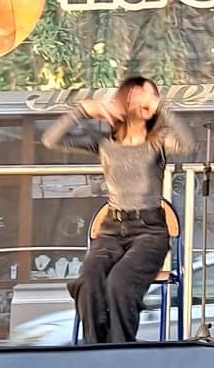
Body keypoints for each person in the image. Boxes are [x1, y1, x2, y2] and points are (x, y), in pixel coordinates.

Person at [43, 77, 193, 344]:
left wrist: (162, 107)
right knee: (88, 281)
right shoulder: (105, 142)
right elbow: (50, 140)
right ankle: (95, 348)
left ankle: (120, 348)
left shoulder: (159, 140)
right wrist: (83, 110)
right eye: (138, 95)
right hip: (111, 230)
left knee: (119, 282)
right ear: (124, 100)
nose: (144, 101)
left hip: (149, 231)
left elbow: (188, 145)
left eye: (150, 95)